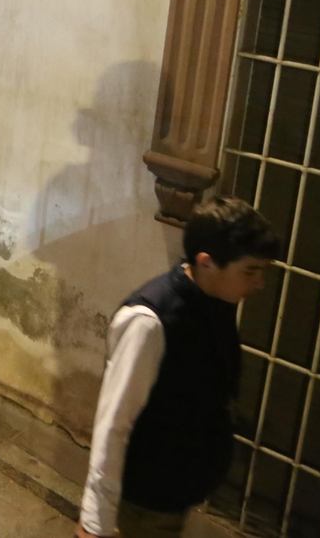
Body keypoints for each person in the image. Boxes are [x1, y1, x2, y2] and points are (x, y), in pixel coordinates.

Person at [76, 198, 279, 538]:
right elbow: (114, 424)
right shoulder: (149, 322)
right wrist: (95, 522)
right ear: (206, 263)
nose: (258, 283)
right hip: (148, 505)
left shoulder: (213, 301)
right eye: (250, 271)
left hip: (175, 493)